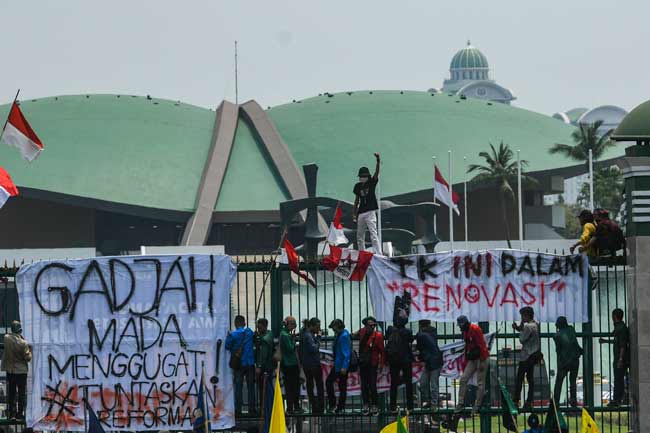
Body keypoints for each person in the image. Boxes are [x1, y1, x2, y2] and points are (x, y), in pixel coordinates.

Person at [456, 316, 489, 414]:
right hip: (473, 358)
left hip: (481, 358)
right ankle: (460, 403)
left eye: (460, 325)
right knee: (463, 379)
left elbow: (482, 345)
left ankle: (477, 405)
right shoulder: (466, 331)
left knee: (480, 383)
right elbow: (468, 346)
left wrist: (482, 362)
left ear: (464, 324)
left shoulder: (475, 329)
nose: (459, 328)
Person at [1, 321, 31, 421]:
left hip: (11, 370)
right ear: (20, 330)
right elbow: (28, 358)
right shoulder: (24, 343)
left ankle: (12, 414)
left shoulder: (6, 338)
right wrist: (29, 351)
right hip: (21, 371)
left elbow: (9, 336)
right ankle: (19, 414)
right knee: (21, 394)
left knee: (12, 393)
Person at [225, 315, 256, 416]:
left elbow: (227, 346)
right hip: (250, 363)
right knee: (251, 386)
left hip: (239, 364)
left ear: (235, 323)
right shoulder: (249, 332)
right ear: (244, 323)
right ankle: (252, 409)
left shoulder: (233, 334)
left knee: (238, 386)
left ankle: (238, 410)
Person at [599, 308, 630, 407]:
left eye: (612, 316)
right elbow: (618, 342)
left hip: (620, 359)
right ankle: (618, 399)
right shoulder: (619, 327)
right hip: (619, 358)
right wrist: (606, 341)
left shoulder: (621, 328)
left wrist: (620, 359)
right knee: (619, 379)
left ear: (614, 316)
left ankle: (617, 400)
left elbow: (622, 345)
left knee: (618, 379)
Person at [354, 316, 385, 415]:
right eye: (370, 325)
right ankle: (366, 404)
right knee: (364, 385)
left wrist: (381, 364)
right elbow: (354, 334)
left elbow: (382, 352)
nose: (372, 327)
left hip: (372, 363)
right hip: (363, 363)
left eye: (374, 325)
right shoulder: (362, 332)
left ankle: (374, 405)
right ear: (366, 326)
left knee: (372, 385)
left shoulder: (378, 336)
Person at [513, 306, 542, 410]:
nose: (521, 318)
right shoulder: (536, 325)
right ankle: (529, 401)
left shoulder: (528, 327)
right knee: (530, 379)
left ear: (526, 315)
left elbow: (522, 339)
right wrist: (519, 328)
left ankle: (516, 400)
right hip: (534, 355)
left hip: (526, 356)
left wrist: (520, 328)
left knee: (519, 378)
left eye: (522, 316)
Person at [353, 152, 382, 253]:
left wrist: (378, 161)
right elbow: (357, 200)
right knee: (359, 236)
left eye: (363, 176)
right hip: (361, 212)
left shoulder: (371, 183)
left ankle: (379, 254)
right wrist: (354, 213)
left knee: (373, 234)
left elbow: (376, 173)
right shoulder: (357, 186)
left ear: (367, 176)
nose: (361, 178)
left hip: (370, 211)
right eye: (360, 176)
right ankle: (362, 254)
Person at [386, 316, 414, 412]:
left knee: (394, 383)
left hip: (393, 360)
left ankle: (392, 405)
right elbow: (411, 340)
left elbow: (386, 337)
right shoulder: (408, 331)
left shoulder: (390, 329)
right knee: (408, 383)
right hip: (405, 359)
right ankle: (410, 405)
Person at [552, 316, 582, 407]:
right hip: (574, 360)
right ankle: (573, 400)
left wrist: (559, 363)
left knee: (559, 381)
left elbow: (558, 351)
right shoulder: (571, 330)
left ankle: (556, 401)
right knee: (572, 381)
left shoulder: (556, 336)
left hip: (564, 362)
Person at [416, 319, 443, 410]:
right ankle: (431, 402)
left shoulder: (420, 335)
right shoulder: (432, 332)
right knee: (427, 384)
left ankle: (433, 403)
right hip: (433, 361)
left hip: (433, 362)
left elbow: (420, 348)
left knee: (430, 384)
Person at [326, 319, 351, 414]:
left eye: (334, 328)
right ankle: (339, 406)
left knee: (332, 383)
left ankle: (335, 405)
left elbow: (346, 353)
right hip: (338, 364)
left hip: (340, 366)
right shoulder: (341, 335)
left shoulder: (343, 336)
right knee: (341, 386)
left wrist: (344, 366)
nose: (333, 330)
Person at [300, 317, 324, 414]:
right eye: (317, 327)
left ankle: (314, 406)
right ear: (312, 326)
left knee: (310, 386)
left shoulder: (304, 333)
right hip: (313, 364)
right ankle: (319, 407)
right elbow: (313, 349)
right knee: (319, 385)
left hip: (307, 364)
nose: (319, 329)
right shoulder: (309, 336)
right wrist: (318, 338)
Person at [279, 316, 302, 414]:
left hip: (287, 364)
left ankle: (291, 407)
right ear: (288, 324)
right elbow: (290, 348)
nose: (294, 326)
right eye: (293, 324)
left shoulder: (284, 334)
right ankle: (294, 407)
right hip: (290, 364)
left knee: (289, 386)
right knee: (294, 386)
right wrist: (293, 341)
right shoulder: (285, 335)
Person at [254, 318, 275, 412]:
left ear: (264, 326)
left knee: (263, 388)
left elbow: (263, 355)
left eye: (260, 327)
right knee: (267, 387)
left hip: (264, 367)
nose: (258, 329)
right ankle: (267, 407)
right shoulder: (269, 334)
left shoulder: (265, 340)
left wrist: (258, 366)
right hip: (269, 366)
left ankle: (264, 408)